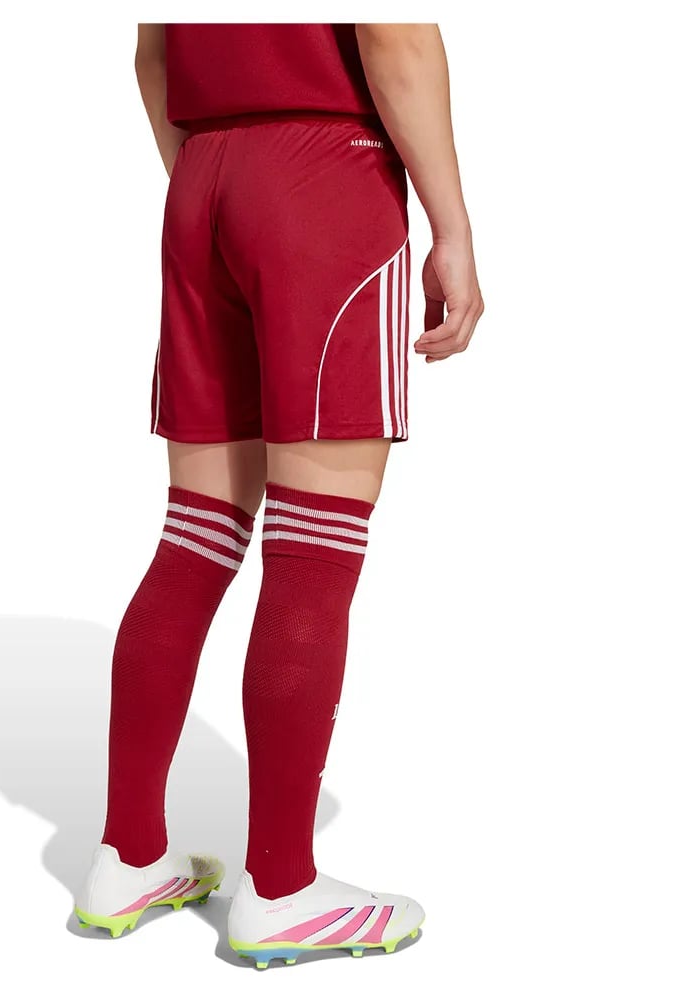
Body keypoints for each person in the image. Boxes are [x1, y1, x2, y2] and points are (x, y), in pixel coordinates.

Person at [73, 22, 483, 969]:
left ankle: (128, 857)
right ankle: (282, 890)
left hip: (203, 181)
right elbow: (393, 35)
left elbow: (152, 53)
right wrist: (453, 228)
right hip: (325, 177)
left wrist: (218, 183)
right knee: (313, 555)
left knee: (194, 539)